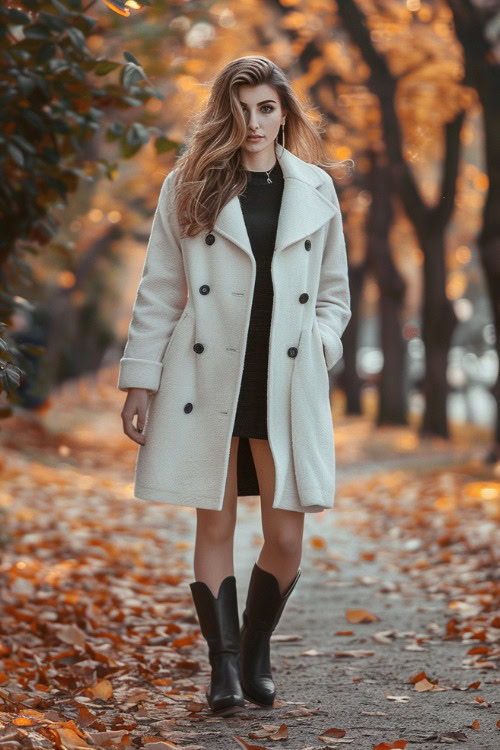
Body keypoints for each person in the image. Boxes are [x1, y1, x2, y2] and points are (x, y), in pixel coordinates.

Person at [118, 56, 352, 717]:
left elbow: (334, 294)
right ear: (226, 113)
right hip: (207, 372)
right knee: (213, 521)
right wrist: (140, 381)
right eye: (242, 108)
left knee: (285, 534)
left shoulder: (315, 189)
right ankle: (223, 669)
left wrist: (321, 344)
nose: (255, 121)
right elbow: (160, 288)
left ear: (284, 113)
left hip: (284, 378)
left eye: (267, 108)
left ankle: (254, 650)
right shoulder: (190, 185)